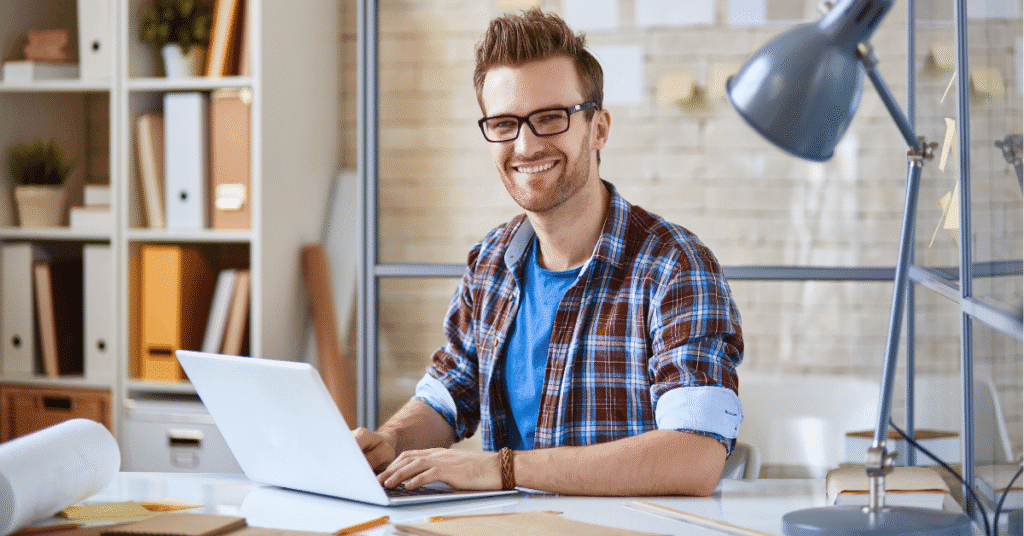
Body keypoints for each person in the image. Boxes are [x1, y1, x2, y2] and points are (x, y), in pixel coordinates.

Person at [354, 8, 743, 497]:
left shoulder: (675, 267)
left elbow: (695, 456)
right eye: (504, 123)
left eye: (550, 118)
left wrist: (502, 469)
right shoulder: (491, 261)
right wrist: (390, 441)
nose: (525, 144)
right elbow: (448, 395)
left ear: (598, 128)